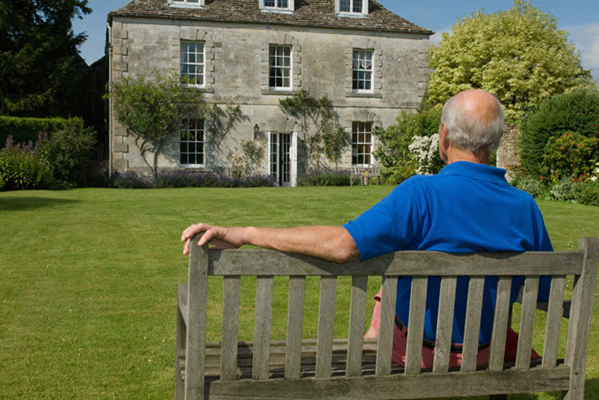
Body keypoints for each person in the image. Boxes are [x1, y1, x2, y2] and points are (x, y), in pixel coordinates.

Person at [181, 89, 552, 368]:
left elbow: (342, 246)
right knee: (393, 292)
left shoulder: (422, 194)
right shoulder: (526, 207)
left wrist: (245, 233)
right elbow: (543, 294)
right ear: (496, 141)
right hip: (485, 352)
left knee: (389, 293)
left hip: (419, 353)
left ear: (444, 137)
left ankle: (374, 346)